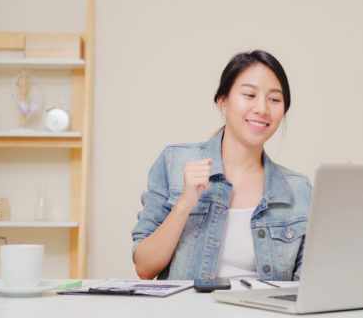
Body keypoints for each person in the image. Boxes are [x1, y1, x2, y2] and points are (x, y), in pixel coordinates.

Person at [131, 50, 311, 281]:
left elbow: (307, 286)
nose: (262, 109)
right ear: (223, 103)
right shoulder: (173, 162)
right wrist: (184, 204)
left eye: (274, 99)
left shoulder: (299, 189)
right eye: (249, 95)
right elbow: (144, 268)